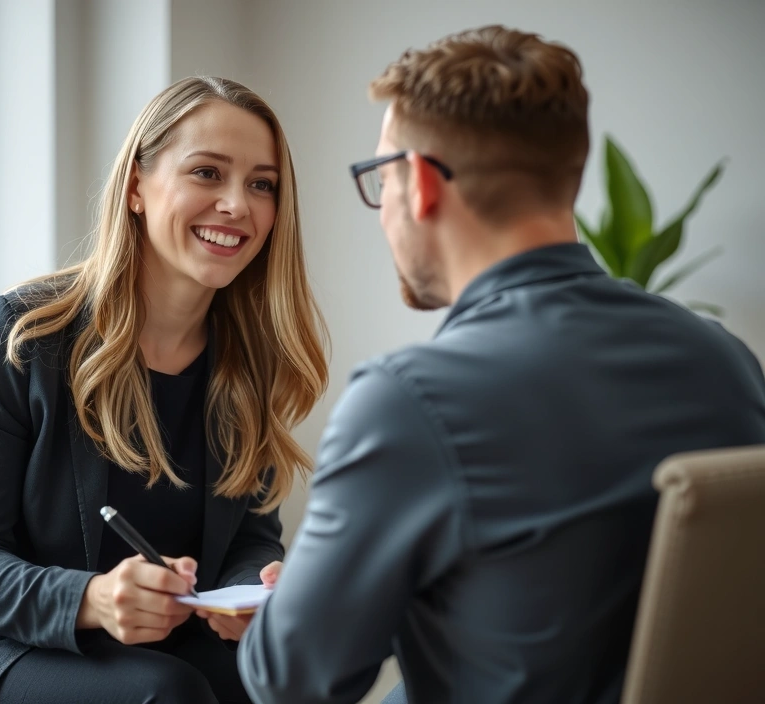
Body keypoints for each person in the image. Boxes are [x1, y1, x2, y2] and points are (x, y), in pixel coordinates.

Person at [238, 25, 765, 704]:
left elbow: (291, 683)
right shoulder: (725, 360)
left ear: (420, 183)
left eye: (381, 179)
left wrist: (312, 598)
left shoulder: (408, 403)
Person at [0, 76, 329, 704]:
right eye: (207, 173)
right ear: (135, 187)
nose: (238, 204)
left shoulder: (251, 361)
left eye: (261, 184)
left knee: (294, 678)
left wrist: (252, 591)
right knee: (165, 693)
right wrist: (93, 599)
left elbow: (250, 535)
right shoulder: (23, 335)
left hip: (164, 644)